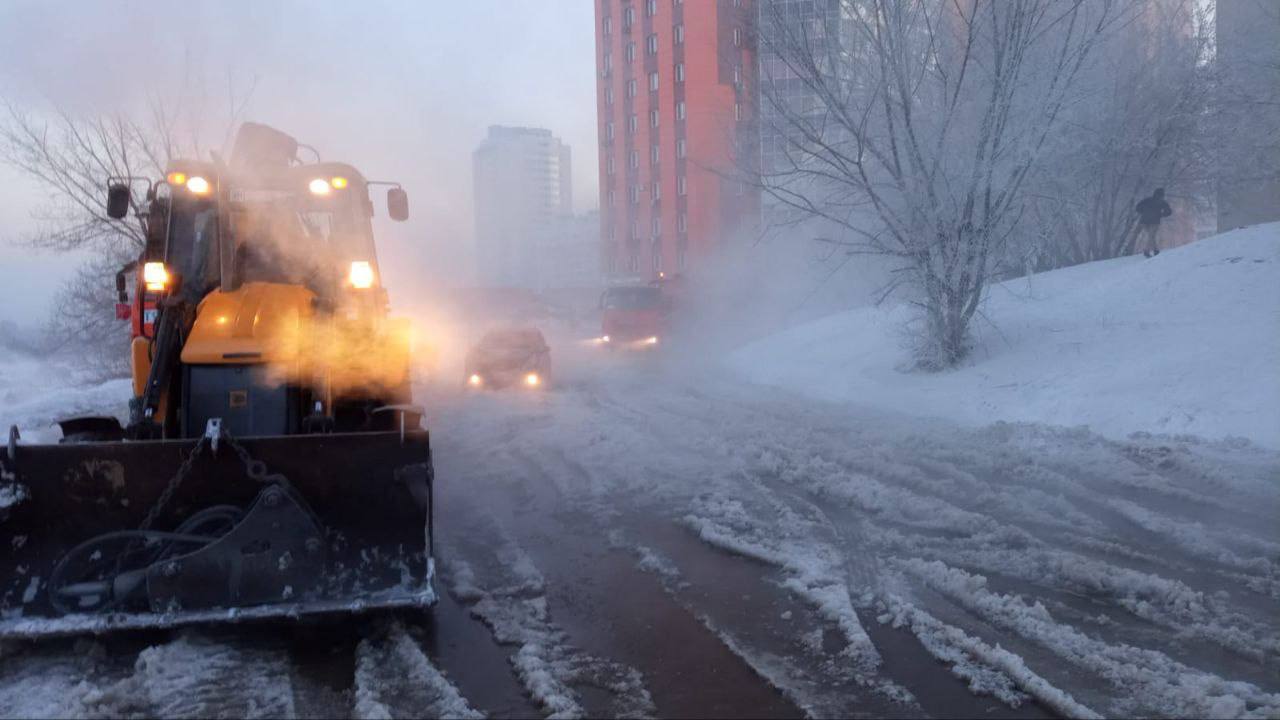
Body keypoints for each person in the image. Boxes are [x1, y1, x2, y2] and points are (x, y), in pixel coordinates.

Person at [1134, 188, 1173, 258]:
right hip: (1154, 222)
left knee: (1151, 236)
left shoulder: (1147, 200)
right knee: (1151, 236)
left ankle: (1155, 250)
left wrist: (1143, 212)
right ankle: (1146, 251)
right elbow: (1169, 212)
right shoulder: (1162, 202)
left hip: (1144, 221)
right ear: (1161, 195)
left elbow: (1137, 207)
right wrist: (1161, 214)